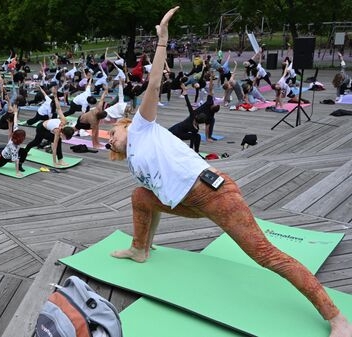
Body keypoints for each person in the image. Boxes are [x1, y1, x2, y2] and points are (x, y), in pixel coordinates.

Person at [105, 7, 352, 337]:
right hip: (185, 202)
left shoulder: (141, 127)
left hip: (215, 195)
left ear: (126, 124)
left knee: (266, 255)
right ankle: (140, 249)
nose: (110, 139)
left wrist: (162, 40)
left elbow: (152, 87)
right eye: (107, 140)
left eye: (112, 133)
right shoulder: (134, 157)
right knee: (140, 196)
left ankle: (335, 316)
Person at [23, 95, 74, 167]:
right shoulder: (57, 131)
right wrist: (54, 162)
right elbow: (55, 147)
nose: (64, 138)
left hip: (44, 126)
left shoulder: (64, 121)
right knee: (38, 142)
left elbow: (59, 108)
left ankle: (25, 151)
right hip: (41, 128)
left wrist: (56, 96)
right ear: (63, 133)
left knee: (36, 142)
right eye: (65, 137)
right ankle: (60, 161)